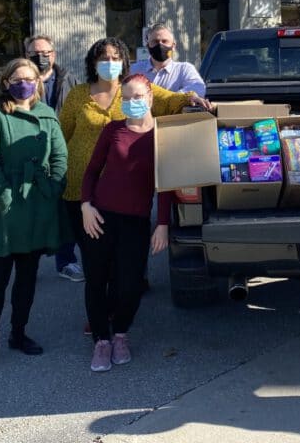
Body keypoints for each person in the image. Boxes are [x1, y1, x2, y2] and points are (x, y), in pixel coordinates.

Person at [60, 37, 210, 300]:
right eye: (103, 58)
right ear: (93, 63)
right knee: (94, 256)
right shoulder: (77, 95)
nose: (109, 63)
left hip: (121, 190)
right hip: (81, 187)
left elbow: (168, 100)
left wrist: (192, 97)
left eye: (115, 58)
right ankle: (99, 309)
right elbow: (62, 136)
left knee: (123, 256)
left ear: (124, 62)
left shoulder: (133, 90)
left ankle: (120, 304)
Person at [0, 58, 69, 372]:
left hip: (37, 204)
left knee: (27, 278)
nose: (23, 83)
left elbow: (59, 155)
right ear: (6, 81)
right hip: (5, 207)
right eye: (17, 78)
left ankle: (19, 332)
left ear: (38, 82)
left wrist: (53, 188)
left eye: (29, 78)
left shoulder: (47, 114)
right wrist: (5, 197)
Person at [80, 74, 173, 372]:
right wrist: (85, 206)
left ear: (150, 97)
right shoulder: (113, 130)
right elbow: (92, 171)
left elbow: (167, 183)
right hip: (101, 217)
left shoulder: (161, 134)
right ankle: (101, 341)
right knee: (96, 280)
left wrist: (162, 224)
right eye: (127, 98)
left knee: (129, 284)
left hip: (135, 221)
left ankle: (120, 333)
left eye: (138, 96)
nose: (133, 102)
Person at [25, 34, 82, 282]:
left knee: (65, 213)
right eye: (35, 53)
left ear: (54, 54)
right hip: (31, 160)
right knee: (32, 214)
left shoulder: (70, 81)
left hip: (63, 157)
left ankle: (66, 262)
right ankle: (27, 264)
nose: (41, 57)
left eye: (46, 52)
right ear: (26, 57)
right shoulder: (21, 83)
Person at [128, 23, 206, 95]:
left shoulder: (184, 69)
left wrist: (170, 98)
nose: (160, 45)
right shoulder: (134, 70)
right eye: (155, 41)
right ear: (148, 46)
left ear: (173, 46)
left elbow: (199, 88)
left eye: (164, 41)